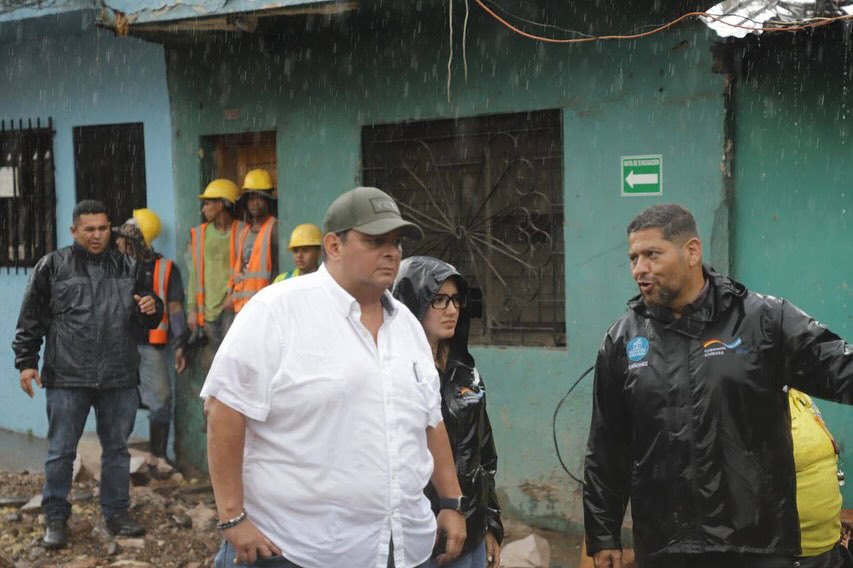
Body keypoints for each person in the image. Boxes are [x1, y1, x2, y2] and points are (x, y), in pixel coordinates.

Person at [201, 186, 467, 568]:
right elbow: (224, 409)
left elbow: (429, 419)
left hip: (404, 546)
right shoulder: (277, 311)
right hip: (298, 549)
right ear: (334, 245)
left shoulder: (407, 325)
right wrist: (232, 517)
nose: (391, 251)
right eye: (375, 241)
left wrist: (452, 501)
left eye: (396, 242)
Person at [583, 203, 853, 568]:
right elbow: (606, 447)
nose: (639, 269)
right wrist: (603, 535)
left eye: (652, 255)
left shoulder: (762, 321)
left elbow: (838, 365)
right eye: (633, 258)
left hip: (757, 544)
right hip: (666, 547)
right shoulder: (622, 340)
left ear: (692, 251)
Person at [12, 199, 163, 548]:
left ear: (110, 227)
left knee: (116, 450)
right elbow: (31, 318)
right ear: (74, 231)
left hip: (118, 376)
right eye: (89, 229)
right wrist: (26, 361)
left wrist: (151, 306)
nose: (97, 236)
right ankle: (55, 518)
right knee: (61, 451)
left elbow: (148, 316)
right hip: (68, 376)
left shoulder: (129, 266)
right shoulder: (53, 266)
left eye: (103, 228)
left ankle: (116, 513)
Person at [393, 256, 504, 568]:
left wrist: (490, 524)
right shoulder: (393, 376)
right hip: (419, 541)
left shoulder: (465, 373)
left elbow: (484, 455)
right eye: (439, 300)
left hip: (470, 535)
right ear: (414, 302)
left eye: (455, 300)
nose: (452, 309)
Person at [114, 208, 188, 460]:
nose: (117, 241)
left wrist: (180, 344)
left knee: (159, 400)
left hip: (151, 345)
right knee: (121, 399)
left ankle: (158, 459)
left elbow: (176, 308)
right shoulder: (116, 266)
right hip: (122, 346)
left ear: (138, 238)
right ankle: (118, 456)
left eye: (124, 237)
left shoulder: (166, 268)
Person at [186, 179, 244, 372]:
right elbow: (194, 274)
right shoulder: (200, 234)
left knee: (235, 367)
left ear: (221, 204)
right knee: (212, 371)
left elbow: (249, 270)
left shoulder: (242, 231)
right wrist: (192, 309)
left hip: (233, 311)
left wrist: (233, 296)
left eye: (208, 203)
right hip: (207, 315)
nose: (204, 209)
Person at [789, 388, 849, 568]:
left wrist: (831, 521)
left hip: (829, 546)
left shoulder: (799, 396)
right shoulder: (752, 404)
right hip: (795, 556)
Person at [231, 168, 278, 312]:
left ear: (267, 200)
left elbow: (276, 271)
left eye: (259, 197)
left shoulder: (274, 228)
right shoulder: (243, 232)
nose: (254, 203)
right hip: (243, 307)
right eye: (251, 198)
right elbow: (240, 270)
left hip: (265, 305)